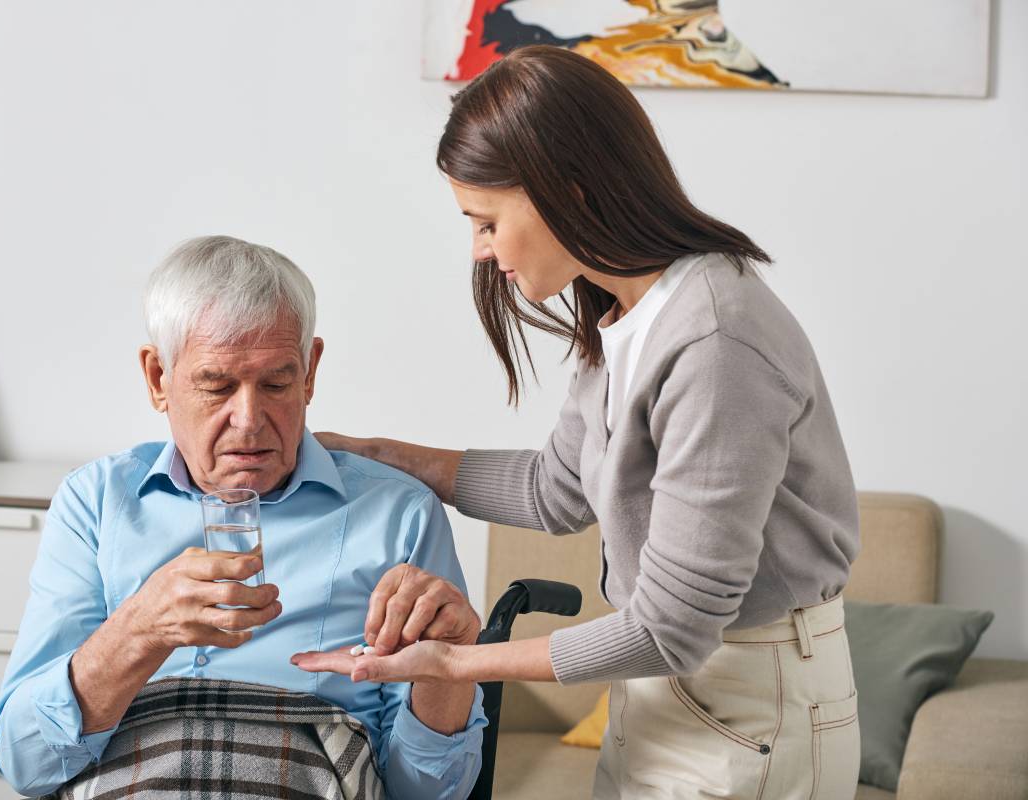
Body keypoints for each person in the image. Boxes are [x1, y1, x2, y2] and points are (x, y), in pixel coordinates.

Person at [293, 46, 862, 799]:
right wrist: (366, 453)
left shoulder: (715, 342)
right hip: (667, 689)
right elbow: (555, 490)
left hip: (749, 701)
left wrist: (458, 663)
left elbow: (671, 628)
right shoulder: (627, 309)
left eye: (487, 222)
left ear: (566, 191)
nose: (480, 251)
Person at [0, 236, 486, 799]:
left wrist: (450, 669)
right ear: (157, 377)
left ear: (309, 372)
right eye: (216, 385)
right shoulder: (95, 502)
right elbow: (26, 762)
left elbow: (429, 794)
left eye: (275, 383)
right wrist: (139, 632)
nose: (248, 420)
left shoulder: (399, 514)